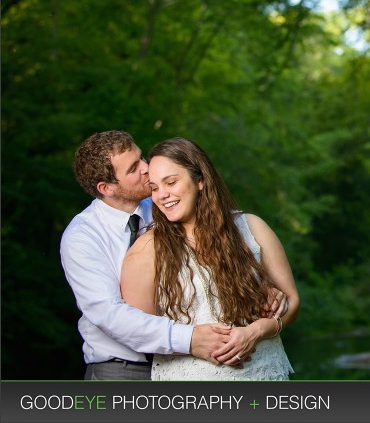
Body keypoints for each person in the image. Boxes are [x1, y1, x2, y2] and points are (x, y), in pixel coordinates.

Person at [60, 130, 284, 380]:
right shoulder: (82, 237)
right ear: (106, 188)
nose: (146, 168)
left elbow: (209, 263)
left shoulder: (167, 204)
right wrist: (190, 340)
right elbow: (110, 314)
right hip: (123, 370)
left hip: (199, 362)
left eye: (141, 157)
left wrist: (258, 287)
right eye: (134, 168)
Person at [121, 137, 299, 380]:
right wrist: (192, 342)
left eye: (171, 182)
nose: (162, 195)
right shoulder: (147, 249)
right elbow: (137, 331)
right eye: (154, 188)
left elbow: (292, 301)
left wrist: (256, 331)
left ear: (200, 180)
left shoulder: (252, 228)